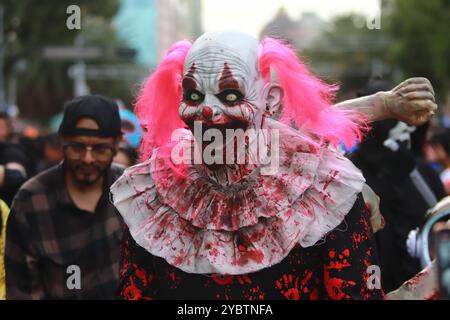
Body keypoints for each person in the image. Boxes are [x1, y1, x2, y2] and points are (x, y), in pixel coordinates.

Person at [110, 31, 436, 300]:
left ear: (271, 100)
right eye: (194, 97)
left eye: (231, 95)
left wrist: (438, 278)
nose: (207, 111)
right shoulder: (153, 197)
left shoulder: (325, 195)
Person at [5, 95, 124, 299]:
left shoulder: (132, 192)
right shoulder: (31, 201)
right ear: (62, 142)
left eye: (100, 149)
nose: (88, 158)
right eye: (77, 147)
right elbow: (21, 290)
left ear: (116, 144)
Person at [349, 78, 446, 292]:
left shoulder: (423, 172)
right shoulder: (347, 172)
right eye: (394, 118)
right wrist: (386, 181)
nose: (406, 128)